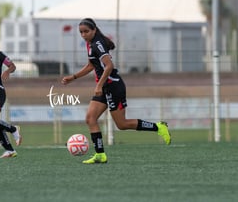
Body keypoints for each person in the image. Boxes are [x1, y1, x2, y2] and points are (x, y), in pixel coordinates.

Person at [61, 18, 171, 164]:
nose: (83, 35)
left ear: (94, 30)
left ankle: (158, 127)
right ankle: (100, 155)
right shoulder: (90, 44)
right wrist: (73, 77)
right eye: (81, 32)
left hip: (113, 87)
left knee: (122, 124)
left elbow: (109, 66)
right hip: (104, 88)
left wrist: (99, 86)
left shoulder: (98, 45)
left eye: (86, 31)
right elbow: (91, 65)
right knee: (90, 119)